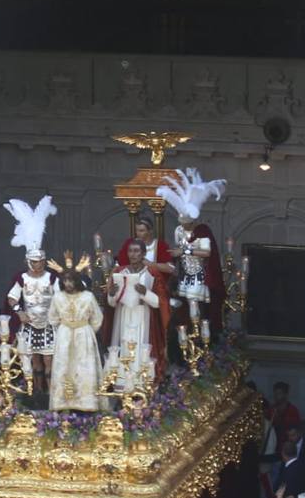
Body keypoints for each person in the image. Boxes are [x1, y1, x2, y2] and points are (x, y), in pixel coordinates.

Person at [155, 168, 227, 339]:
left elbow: (206, 252)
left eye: (187, 223)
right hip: (183, 274)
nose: (184, 226)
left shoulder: (202, 231)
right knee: (181, 311)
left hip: (199, 276)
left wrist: (185, 250)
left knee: (198, 311)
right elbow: (178, 250)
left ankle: (200, 339)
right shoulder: (179, 231)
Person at [1, 195, 59, 395]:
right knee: (34, 360)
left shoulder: (52, 278)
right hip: (29, 324)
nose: (38, 265)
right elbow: (12, 298)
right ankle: (36, 393)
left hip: (49, 324)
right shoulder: (22, 278)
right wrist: (19, 311)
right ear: (28, 262)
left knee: (49, 359)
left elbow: (60, 297)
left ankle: (51, 395)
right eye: (35, 262)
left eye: (41, 262)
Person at [47, 263, 104, 412]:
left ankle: (86, 403)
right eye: (65, 281)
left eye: (71, 280)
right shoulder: (58, 297)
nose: (68, 284)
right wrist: (64, 328)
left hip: (83, 334)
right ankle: (63, 403)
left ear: (77, 281)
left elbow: (97, 318)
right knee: (64, 366)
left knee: (84, 366)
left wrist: (86, 330)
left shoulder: (88, 297)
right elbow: (52, 318)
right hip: (64, 335)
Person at [107, 240, 164, 382]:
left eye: (136, 251)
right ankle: (124, 380)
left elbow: (160, 303)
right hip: (124, 314)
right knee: (125, 343)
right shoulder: (120, 272)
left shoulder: (152, 273)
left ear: (143, 254)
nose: (133, 254)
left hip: (143, 315)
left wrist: (145, 293)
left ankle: (142, 381)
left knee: (140, 347)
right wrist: (112, 294)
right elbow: (111, 303)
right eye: (130, 251)